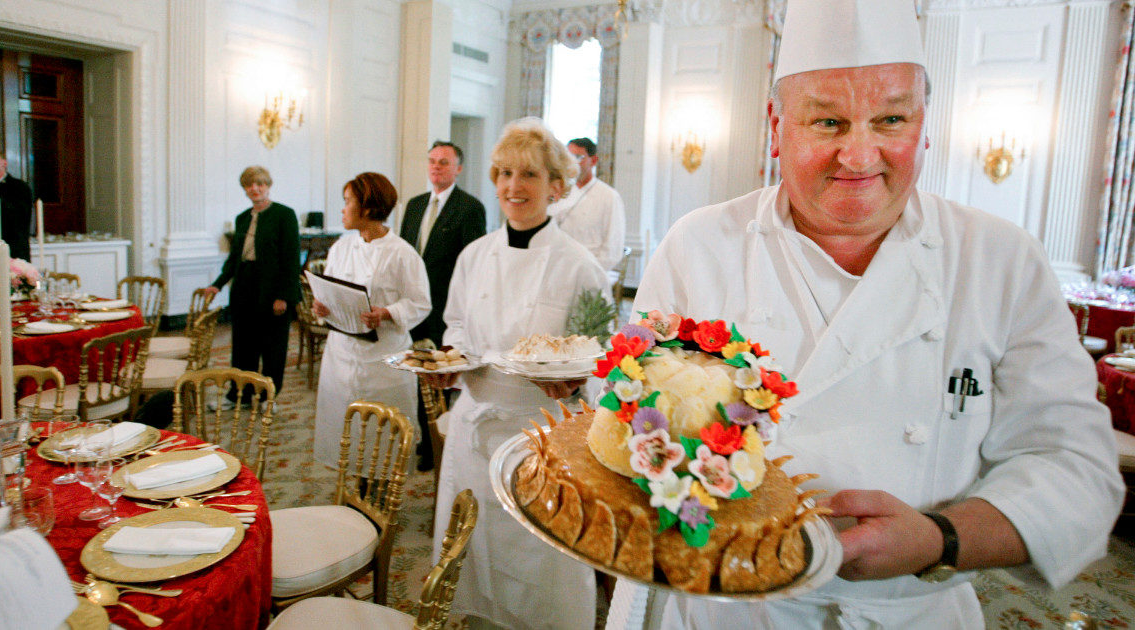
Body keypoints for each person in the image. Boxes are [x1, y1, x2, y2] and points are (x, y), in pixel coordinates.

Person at [612, 0, 1124, 627]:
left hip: (914, 612)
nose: (859, 156)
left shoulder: (1000, 260)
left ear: (924, 123)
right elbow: (627, 426)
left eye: (890, 120)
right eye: (827, 122)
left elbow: (1078, 473)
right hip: (728, 610)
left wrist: (941, 539)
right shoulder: (697, 246)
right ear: (777, 125)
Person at [424, 118, 610, 629]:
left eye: (528, 174)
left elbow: (606, 357)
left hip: (543, 436)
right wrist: (451, 365)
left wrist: (576, 380)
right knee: (476, 545)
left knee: (538, 560)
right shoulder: (474, 255)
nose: (512, 186)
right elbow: (457, 324)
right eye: (503, 173)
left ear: (556, 186)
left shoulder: (579, 267)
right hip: (475, 425)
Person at [311, 172, 431, 469]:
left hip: (383, 360)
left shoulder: (402, 253)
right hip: (341, 355)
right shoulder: (342, 247)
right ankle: (353, 499)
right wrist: (323, 306)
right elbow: (333, 290)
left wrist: (387, 312)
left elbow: (420, 302)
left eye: (347, 201)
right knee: (345, 436)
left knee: (380, 441)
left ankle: (377, 500)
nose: (342, 209)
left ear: (367, 207)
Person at [399, 141, 487, 469]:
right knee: (416, 372)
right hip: (413, 305)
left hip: (445, 307)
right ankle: (424, 437)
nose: (436, 167)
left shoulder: (469, 208)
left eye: (444, 162)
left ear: (458, 168)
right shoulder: (415, 204)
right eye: (433, 161)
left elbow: (472, 265)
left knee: (441, 376)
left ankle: (440, 443)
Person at [205, 166, 300, 405]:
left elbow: (291, 259)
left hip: (273, 290)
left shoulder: (284, 215)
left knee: (273, 348)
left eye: (259, 184)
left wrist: (283, 297)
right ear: (245, 189)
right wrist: (217, 285)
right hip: (244, 287)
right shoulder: (242, 218)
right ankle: (240, 396)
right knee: (243, 347)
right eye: (249, 185)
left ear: (268, 186)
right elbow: (234, 259)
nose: (254, 189)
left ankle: (269, 397)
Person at [546, 137, 625, 276]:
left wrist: (590, 271)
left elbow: (613, 247)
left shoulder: (609, 196)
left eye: (578, 157)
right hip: (557, 268)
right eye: (568, 156)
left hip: (590, 271)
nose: (572, 162)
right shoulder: (559, 191)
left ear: (593, 161)